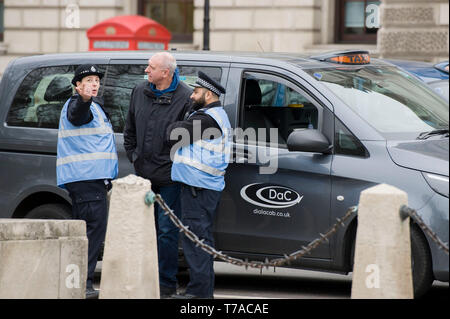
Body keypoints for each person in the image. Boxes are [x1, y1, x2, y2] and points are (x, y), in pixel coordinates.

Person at [123, 52, 192, 298]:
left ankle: (165, 285)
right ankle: (143, 281)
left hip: (170, 178)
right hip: (143, 176)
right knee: (141, 231)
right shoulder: (139, 91)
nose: (146, 71)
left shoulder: (186, 97)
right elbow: (128, 128)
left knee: (166, 232)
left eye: (151, 67)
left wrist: (175, 165)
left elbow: (188, 139)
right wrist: (134, 155)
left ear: (166, 72)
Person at [166, 71, 231, 299]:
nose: (192, 96)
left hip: (198, 188)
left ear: (209, 94)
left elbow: (172, 134)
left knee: (196, 241)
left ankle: (198, 295)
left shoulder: (205, 119)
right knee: (201, 240)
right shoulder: (214, 115)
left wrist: (185, 113)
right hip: (203, 188)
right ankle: (204, 292)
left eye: (196, 92)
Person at [56, 64, 118, 299]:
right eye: (89, 80)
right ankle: (83, 283)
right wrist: (83, 99)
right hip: (86, 179)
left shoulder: (96, 106)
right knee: (92, 231)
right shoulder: (78, 104)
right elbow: (77, 114)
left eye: (96, 80)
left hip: (90, 179)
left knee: (85, 231)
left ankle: (76, 281)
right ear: (77, 85)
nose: (94, 84)